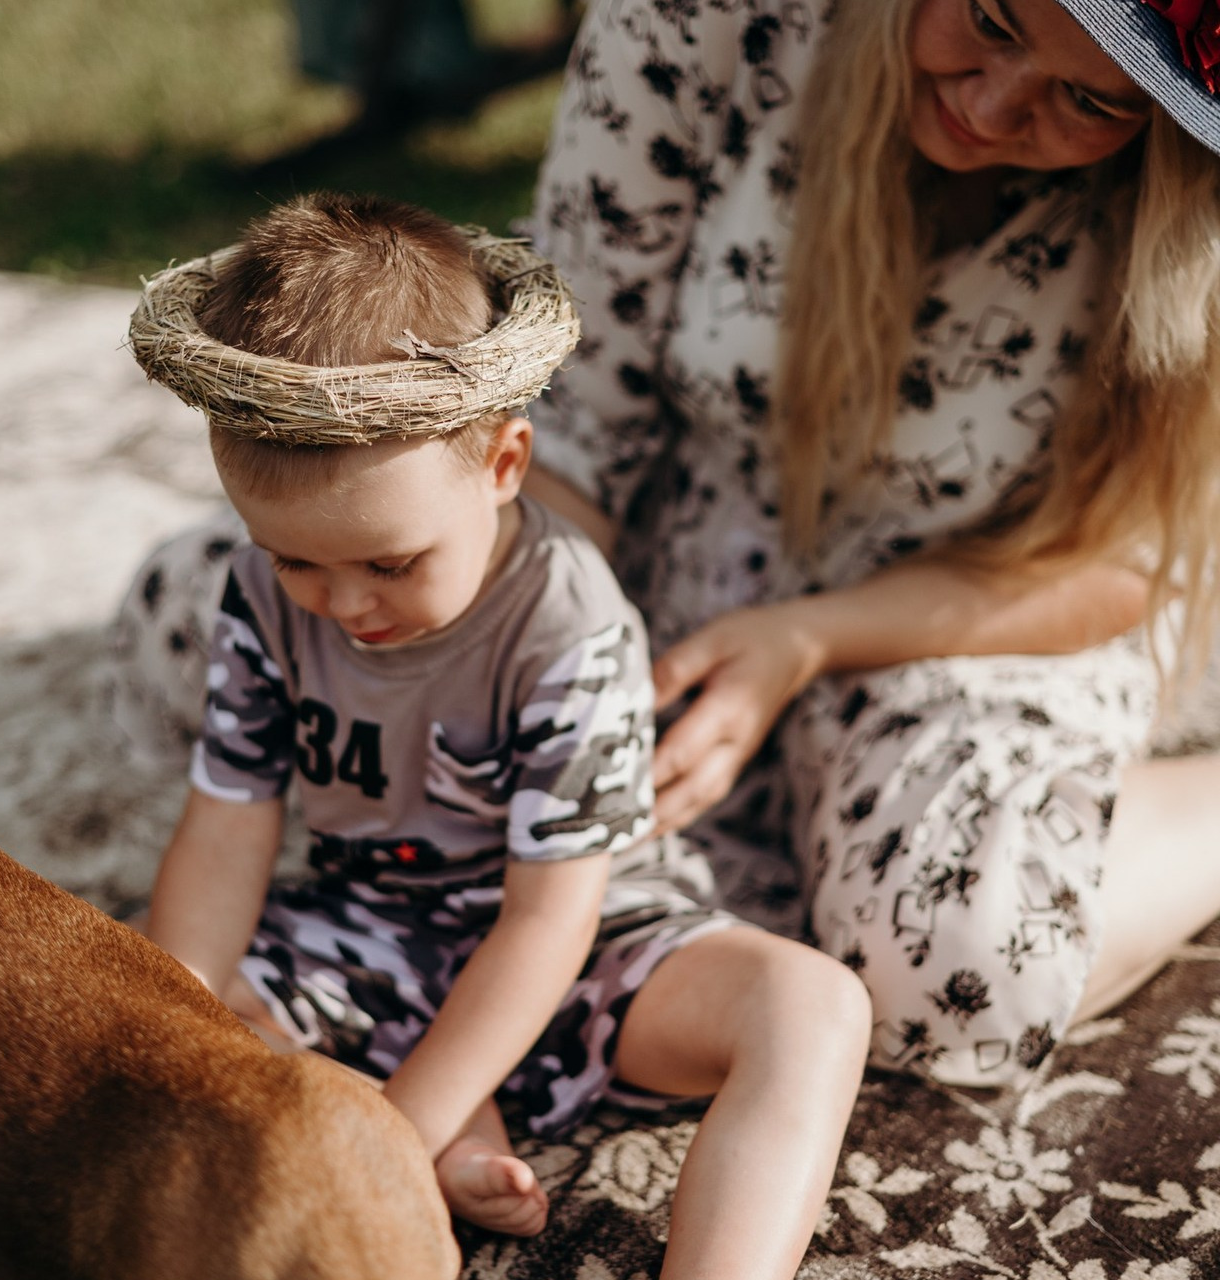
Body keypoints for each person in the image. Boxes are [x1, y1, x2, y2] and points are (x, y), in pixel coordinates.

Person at [132, 193, 870, 1276]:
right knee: (148, 992)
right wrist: (170, 1024)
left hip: (580, 946)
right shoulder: (259, 592)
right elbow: (229, 825)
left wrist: (389, 1141)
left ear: (505, 463)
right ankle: (455, 1118)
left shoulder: (568, 623)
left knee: (811, 1007)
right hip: (370, 930)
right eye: (296, 561)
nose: (344, 604)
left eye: (390, 563)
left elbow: (547, 922)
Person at [520, 0, 1220, 1087]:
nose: (993, 105)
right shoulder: (699, 21)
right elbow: (569, 423)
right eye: (990, 19)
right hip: (653, 554)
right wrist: (552, 671)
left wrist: (804, 639)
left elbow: (1125, 559)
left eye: (1090, 100)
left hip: (981, 610)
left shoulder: (1189, 211)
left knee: (954, 961)